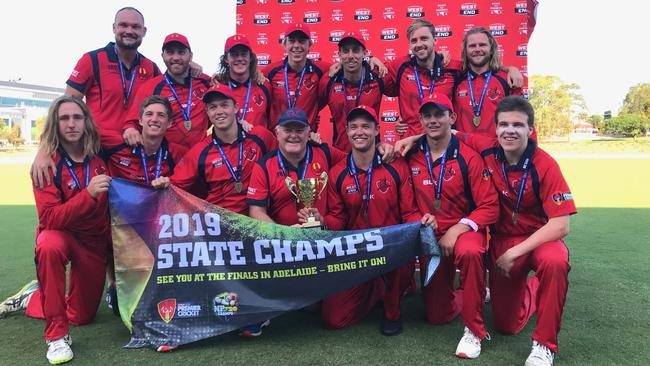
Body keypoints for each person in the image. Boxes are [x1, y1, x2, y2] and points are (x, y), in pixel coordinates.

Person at [455, 96, 576, 366]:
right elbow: (449, 131)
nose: (510, 130)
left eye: (518, 125)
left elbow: (561, 224)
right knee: (507, 326)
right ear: (495, 129)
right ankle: (532, 289)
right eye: (504, 124)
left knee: (556, 261)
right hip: (500, 239)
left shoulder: (545, 164)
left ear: (530, 130)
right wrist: (410, 139)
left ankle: (544, 345)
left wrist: (515, 253)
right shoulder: (486, 148)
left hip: (538, 240)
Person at [0, 96, 111, 365]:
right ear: (55, 123)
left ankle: (32, 297)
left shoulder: (102, 150)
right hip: (61, 234)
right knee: (48, 244)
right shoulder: (46, 164)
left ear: (86, 121)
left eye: (77, 117)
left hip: (93, 242)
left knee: (82, 316)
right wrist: (88, 195)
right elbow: (49, 218)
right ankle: (56, 336)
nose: (71, 124)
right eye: (64, 118)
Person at [318, 105, 436, 336]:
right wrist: (321, 221)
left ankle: (392, 309)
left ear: (377, 130)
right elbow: (338, 220)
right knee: (333, 319)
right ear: (347, 131)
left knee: (406, 248)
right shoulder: (337, 172)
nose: (359, 132)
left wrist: (420, 221)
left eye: (365, 126)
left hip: (392, 249)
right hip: (357, 252)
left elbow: (409, 212)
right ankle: (375, 287)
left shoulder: (396, 165)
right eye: (353, 127)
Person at [404, 93, 499, 358]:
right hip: (429, 234)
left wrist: (457, 229)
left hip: (464, 232)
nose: (433, 121)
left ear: (452, 118)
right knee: (437, 315)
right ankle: (473, 292)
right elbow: (406, 205)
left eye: (439, 114)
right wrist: (420, 222)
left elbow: (489, 205)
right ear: (421, 120)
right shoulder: (410, 155)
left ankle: (474, 330)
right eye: (428, 116)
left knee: (469, 252)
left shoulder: (469, 157)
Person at [384, 19, 522, 139]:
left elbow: (482, 68)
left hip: (445, 144)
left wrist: (510, 69)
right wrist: (371, 60)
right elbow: (372, 76)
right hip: (411, 145)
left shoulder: (454, 68)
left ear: (435, 40)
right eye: (414, 40)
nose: (419, 44)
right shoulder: (400, 66)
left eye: (424, 38)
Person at [123, 33, 212, 147]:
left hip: (200, 157)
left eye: (181, 52)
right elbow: (132, 122)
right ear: (162, 56)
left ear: (190, 56)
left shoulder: (205, 82)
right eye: (170, 52)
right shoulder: (150, 87)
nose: (176, 58)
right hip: (166, 159)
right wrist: (130, 130)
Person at [319, 32, 385, 152]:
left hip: (372, 153)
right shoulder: (328, 81)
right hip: (340, 154)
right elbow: (310, 107)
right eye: (345, 51)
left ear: (364, 53)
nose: (350, 56)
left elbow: (407, 91)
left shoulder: (379, 76)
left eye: (355, 50)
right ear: (339, 54)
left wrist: (405, 122)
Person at [452, 27, 524, 137]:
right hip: (464, 151)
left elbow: (523, 119)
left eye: (482, 45)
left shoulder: (507, 79)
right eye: (472, 46)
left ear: (491, 49)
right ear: (465, 51)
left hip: (496, 151)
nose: (477, 49)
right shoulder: (456, 79)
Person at [104, 95, 187, 185]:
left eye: (161, 115)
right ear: (140, 120)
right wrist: (129, 128)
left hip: (157, 199)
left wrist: (171, 182)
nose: (154, 119)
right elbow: (89, 131)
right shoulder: (117, 143)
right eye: (149, 114)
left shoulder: (178, 153)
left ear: (169, 123)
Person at [212, 34, 272, 129]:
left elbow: (272, 121)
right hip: (229, 143)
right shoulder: (217, 87)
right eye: (234, 54)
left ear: (250, 57)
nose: (239, 58)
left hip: (259, 142)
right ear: (226, 59)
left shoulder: (264, 85)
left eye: (243, 54)